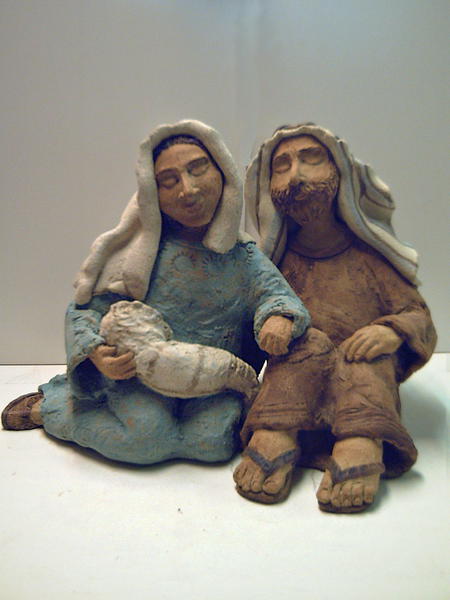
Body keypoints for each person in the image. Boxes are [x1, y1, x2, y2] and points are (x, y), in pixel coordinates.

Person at [2, 120, 310, 466]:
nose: (188, 190)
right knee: (144, 438)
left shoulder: (244, 257)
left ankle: (179, 433)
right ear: (152, 193)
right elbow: (87, 309)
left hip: (216, 380)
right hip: (140, 377)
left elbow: (276, 296)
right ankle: (55, 408)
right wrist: (97, 353)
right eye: (169, 181)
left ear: (223, 173)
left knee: (214, 442)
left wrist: (278, 318)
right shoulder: (140, 256)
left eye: (198, 169)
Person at [233, 123, 437, 512]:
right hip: (298, 386)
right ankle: (276, 433)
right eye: (282, 166)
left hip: (363, 380)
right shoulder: (276, 263)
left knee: (363, 353)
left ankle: (360, 442)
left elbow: (417, 315)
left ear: (340, 172)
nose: (296, 176)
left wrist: (391, 331)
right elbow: (253, 309)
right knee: (303, 343)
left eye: (311, 159)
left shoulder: (369, 257)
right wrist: (270, 324)